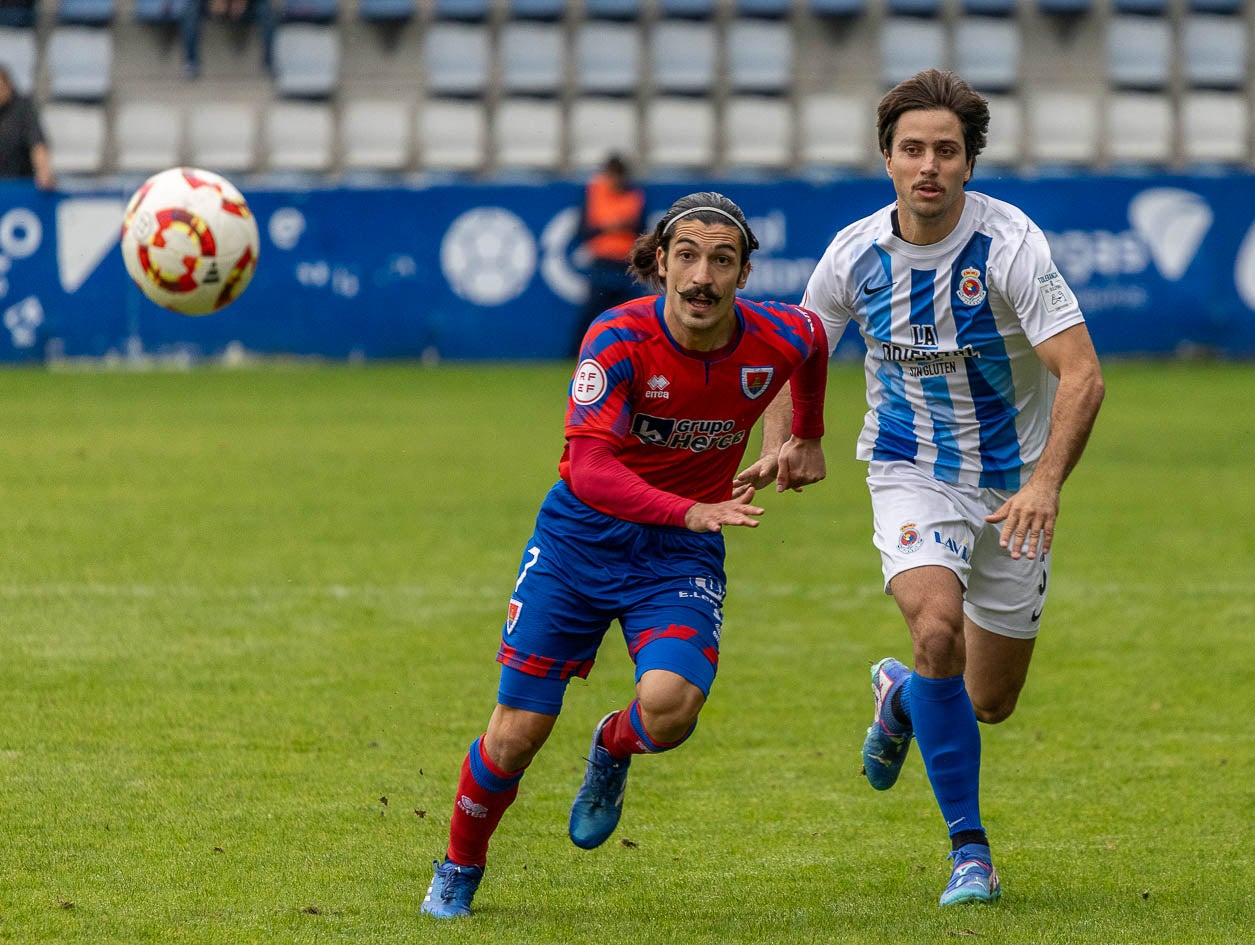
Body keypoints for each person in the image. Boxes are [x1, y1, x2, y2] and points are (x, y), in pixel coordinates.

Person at [420, 191, 829, 919]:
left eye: (722, 260)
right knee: (515, 737)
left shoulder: (777, 332)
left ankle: (612, 744)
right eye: (688, 256)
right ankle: (457, 866)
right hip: (579, 540)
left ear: (742, 272)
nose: (703, 275)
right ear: (661, 264)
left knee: (669, 710)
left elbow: (812, 345)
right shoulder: (616, 338)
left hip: (676, 554)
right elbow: (590, 471)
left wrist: (802, 434)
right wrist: (690, 506)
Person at [769, 68, 1105, 907]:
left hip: (1010, 490)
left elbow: (1082, 375)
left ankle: (901, 698)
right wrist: (794, 436)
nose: (928, 165)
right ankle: (970, 852)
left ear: (967, 163)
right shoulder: (853, 254)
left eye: (945, 151)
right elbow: (797, 348)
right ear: (886, 157)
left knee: (988, 700)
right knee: (935, 629)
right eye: (911, 148)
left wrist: (1044, 483)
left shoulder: (1010, 246)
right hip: (907, 469)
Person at [571, 153, 647, 357]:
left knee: (630, 313)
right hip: (602, 263)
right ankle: (578, 352)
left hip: (626, 265)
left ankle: (635, 353)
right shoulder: (594, 193)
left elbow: (643, 231)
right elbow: (582, 231)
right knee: (591, 313)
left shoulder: (635, 197)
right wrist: (608, 228)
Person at [180, 0, 276, 79]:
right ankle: (191, 63)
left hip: (246, 6)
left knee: (265, 9)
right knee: (191, 7)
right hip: (215, 6)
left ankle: (269, 64)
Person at [0, 65, 54, 191]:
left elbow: (37, 143)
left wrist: (43, 170)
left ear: (8, 87)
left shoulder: (23, 109)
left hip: (20, 185)